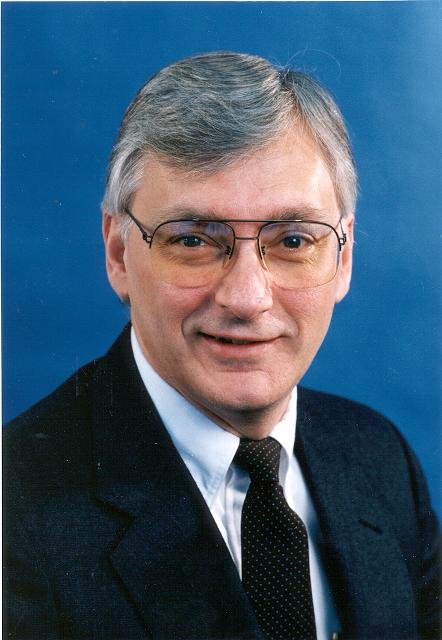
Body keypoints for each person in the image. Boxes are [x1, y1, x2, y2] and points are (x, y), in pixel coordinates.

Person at [4, 52, 440, 640]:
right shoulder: (16, 509)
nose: (247, 298)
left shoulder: (379, 459)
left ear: (343, 257)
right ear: (118, 254)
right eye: (193, 240)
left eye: (292, 240)